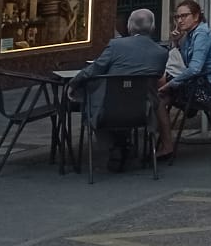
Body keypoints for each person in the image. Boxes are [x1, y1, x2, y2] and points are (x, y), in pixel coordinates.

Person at [74, 8, 172, 155]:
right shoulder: (162, 53)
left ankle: (114, 146)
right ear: (153, 28)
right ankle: (122, 144)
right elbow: (156, 79)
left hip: (108, 110)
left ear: (129, 27)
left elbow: (95, 69)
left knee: (91, 102)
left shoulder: (116, 46)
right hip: (142, 111)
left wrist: (74, 83)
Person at [162, 0, 211, 144]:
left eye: (184, 16)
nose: (180, 20)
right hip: (202, 84)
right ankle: (165, 140)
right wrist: (176, 42)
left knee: (162, 90)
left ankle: (163, 140)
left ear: (195, 17)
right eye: (177, 17)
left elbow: (194, 68)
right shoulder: (189, 34)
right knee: (162, 95)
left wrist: (171, 84)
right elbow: (182, 62)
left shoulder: (201, 34)